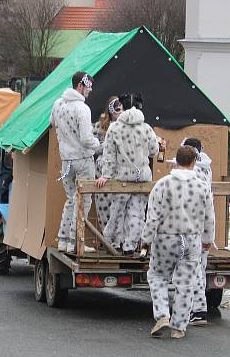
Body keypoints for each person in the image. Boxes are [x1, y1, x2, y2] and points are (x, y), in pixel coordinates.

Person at [142, 146, 214, 339]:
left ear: (176, 161)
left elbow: (153, 215)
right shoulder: (202, 186)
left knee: (157, 277)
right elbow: (209, 217)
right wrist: (208, 240)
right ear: (193, 163)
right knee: (186, 283)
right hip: (191, 239)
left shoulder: (163, 184)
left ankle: (163, 315)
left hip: (166, 238)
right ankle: (179, 327)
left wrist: (146, 239)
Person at [96, 94, 159, 255]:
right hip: (142, 176)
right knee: (137, 213)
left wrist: (106, 175)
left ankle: (114, 242)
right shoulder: (146, 128)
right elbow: (154, 151)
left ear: (122, 107)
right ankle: (130, 247)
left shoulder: (115, 128)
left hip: (122, 176)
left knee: (117, 211)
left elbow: (109, 155)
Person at [50, 72, 99, 253]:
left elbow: (52, 123)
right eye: (89, 86)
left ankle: (63, 240)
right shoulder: (82, 108)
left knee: (71, 199)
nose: (90, 90)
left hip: (66, 160)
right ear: (80, 85)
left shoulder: (58, 104)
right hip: (83, 160)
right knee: (84, 201)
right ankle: (76, 242)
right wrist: (98, 144)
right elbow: (87, 139)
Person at [182, 137, 214, 326]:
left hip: (191, 227)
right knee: (199, 269)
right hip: (203, 226)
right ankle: (197, 309)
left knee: (191, 271)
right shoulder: (206, 168)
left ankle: (198, 310)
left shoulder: (191, 175)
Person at [92, 96, 123, 232]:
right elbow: (92, 149)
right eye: (117, 110)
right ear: (110, 111)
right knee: (103, 206)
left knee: (120, 207)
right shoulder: (100, 126)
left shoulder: (128, 127)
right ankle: (106, 240)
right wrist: (109, 145)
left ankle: (119, 242)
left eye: (122, 109)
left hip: (121, 172)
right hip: (101, 171)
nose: (120, 113)